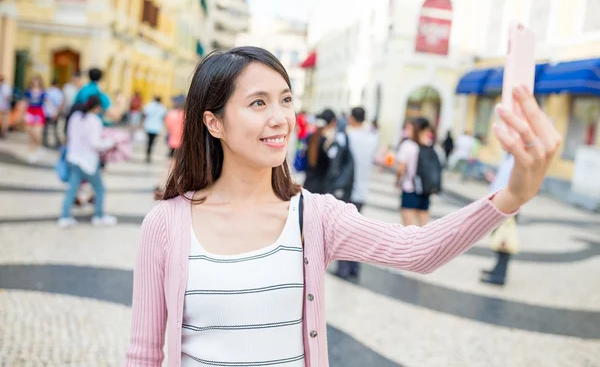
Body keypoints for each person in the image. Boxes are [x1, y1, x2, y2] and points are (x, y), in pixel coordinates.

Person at [124, 47, 562, 367]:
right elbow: (143, 352)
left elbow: (419, 250)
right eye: (258, 102)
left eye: (286, 99)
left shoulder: (313, 216)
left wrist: (511, 196)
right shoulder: (167, 224)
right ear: (213, 121)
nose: (280, 117)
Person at [58, 95, 118, 228]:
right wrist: (110, 143)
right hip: (87, 161)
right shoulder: (94, 120)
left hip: (73, 157)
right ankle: (99, 216)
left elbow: (70, 135)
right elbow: (95, 143)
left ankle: (64, 216)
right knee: (100, 188)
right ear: (97, 107)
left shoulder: (76, 117)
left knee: (72, 188)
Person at [336, 106, 379, 279]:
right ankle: (355, 266)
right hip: (363, 190)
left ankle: (343, 268)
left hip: (347, 189)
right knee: (356, 230)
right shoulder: (373, 138)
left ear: (351, 119)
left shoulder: (345, 137)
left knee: (344, 230)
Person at [481, 153, 517, 286]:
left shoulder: (517, 158)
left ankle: (499, 275)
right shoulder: (508, 157)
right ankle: (496, 269)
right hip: (498, 203)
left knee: (504, 240)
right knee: (498, 238)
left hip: (508, 206)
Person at [395, 118, 435, 227]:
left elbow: (401, 168)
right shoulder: (429, 144)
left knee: (408, 227)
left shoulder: (408, 145)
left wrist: (397, 181)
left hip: (410, 188)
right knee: (423, 227)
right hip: (425, 189)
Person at [154, 98, 185, 199]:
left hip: (172, 143)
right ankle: (174, 185)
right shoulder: (187, 116)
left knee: (169, 165)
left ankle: (160, 183)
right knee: (179, 167)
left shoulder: (171, 114)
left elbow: (167, 127)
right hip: (183, 144)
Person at [24, 75, 46, 163]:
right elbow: (25, 103)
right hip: (30, 112)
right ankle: (31, 153)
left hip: (39, 113)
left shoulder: (43, 92)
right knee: (30, 134)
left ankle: (40, 147)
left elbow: (47, 103)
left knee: (37, 133)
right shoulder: (28, 92)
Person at [143, 95, 167, 163]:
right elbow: (164, 117)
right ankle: (149, 152)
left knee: (149, 141)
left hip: (148, 126)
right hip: (157, 127)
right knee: (152, 141)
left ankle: (148, 152)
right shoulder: (162, 107)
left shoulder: (149, 105)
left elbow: (145, 114)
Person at [43, 78, 64, 148]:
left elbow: (45, 102)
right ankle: (56, 143)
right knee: (55, 129)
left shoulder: (48, 91)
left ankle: (45, 142)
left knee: (46, 128)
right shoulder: (59, 92)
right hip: (55, 112)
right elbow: (61, 104)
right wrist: (57, 112)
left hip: (47, 113)